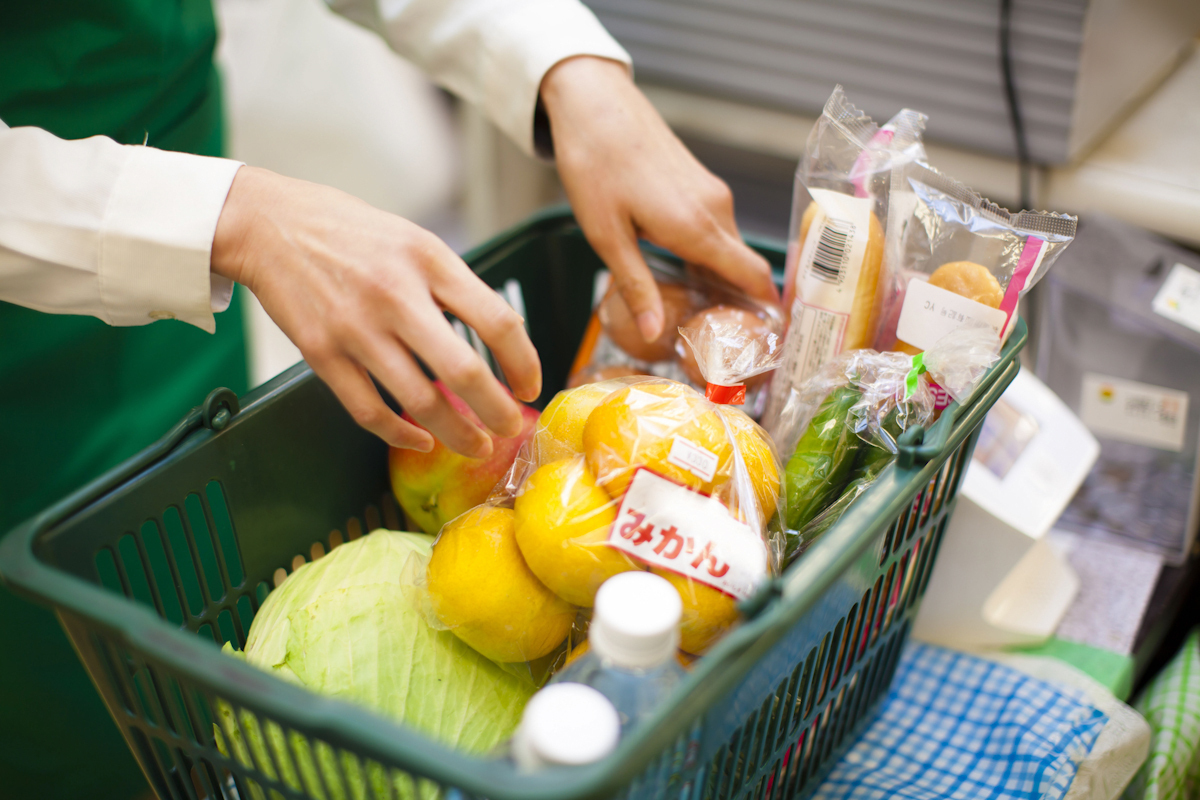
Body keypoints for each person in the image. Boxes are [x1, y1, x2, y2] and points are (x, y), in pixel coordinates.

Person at [0, 1, 776, 797]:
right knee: (70, 715)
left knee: (198, 626)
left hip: (175, 225)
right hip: (34, 319)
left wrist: (566, 65)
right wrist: (230, 219)